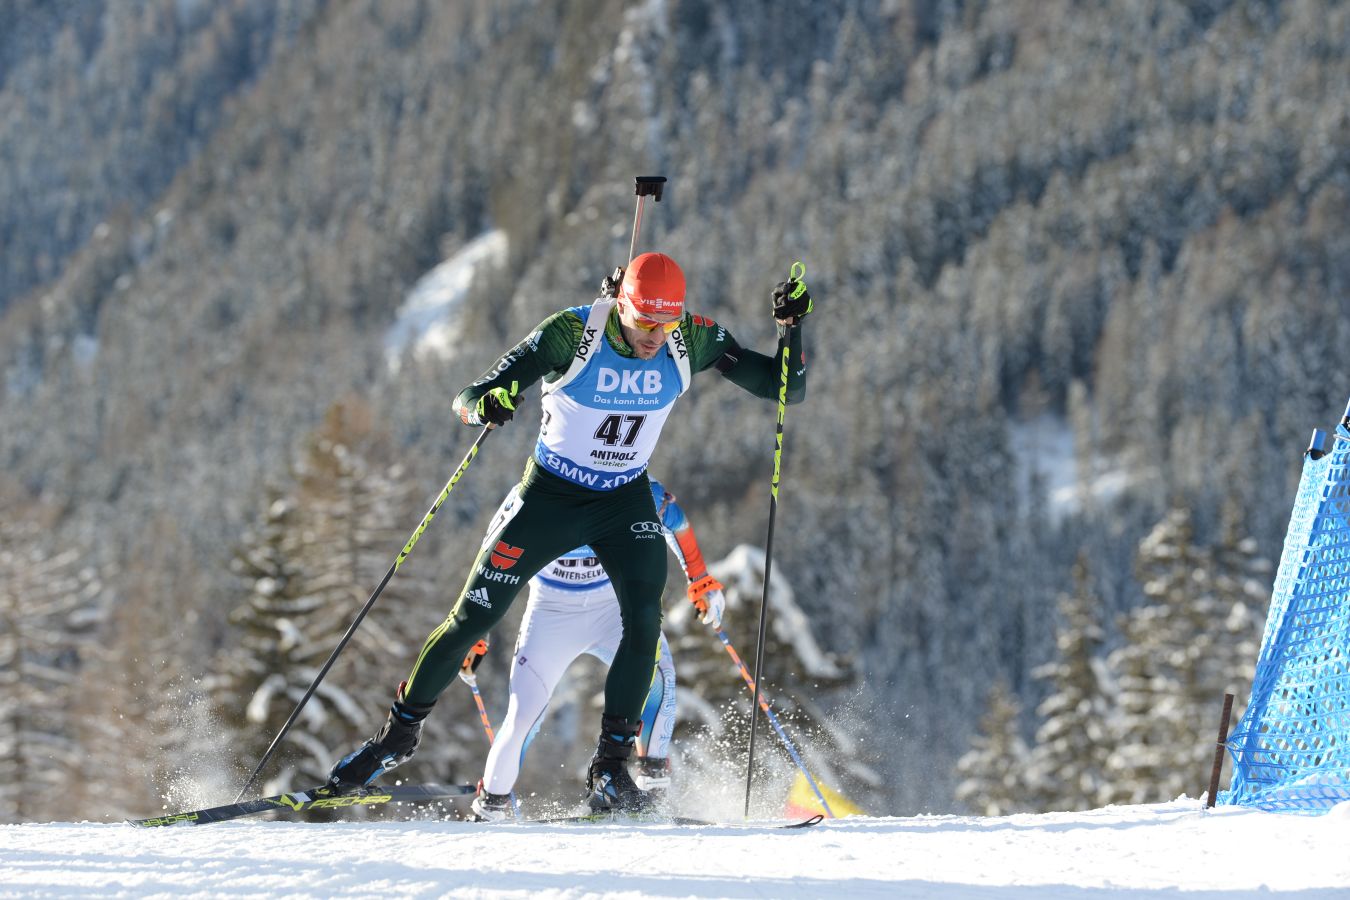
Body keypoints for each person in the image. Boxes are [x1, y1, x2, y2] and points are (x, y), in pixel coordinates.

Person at [327, 250, 811, 811]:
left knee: (645, 618)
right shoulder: (572, 334)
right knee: (473, 618)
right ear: (622, 306)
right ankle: (397, 736)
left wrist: (791, 330)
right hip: (551, 498)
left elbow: (785, 389)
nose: (656, 336)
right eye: (645, 322)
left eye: (667, 322)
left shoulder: (690, 341)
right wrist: (486, 403)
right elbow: (469, 396)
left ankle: (609, 767)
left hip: (623, 498)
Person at [463, 477, 725, 821]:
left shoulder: (633, 486)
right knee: (524, 713)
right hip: (551, 613)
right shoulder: (532, 493)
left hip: (612, 608)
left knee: (660, 679)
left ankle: (650, 794)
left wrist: (700, 578)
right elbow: (491, 563)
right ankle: (490, 808)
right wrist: (474, 632)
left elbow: (675, 521)